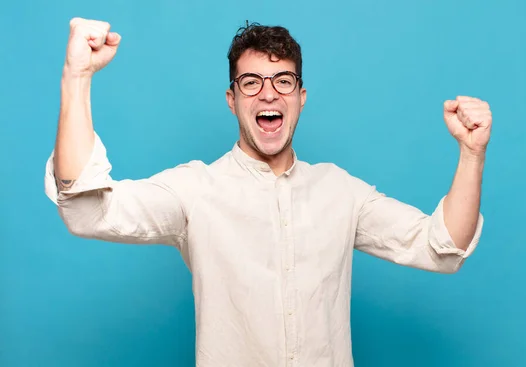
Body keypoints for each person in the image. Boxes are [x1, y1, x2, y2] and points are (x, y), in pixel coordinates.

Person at [44, 17, 490, 367]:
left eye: (283, 81)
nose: (268, 93)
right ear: (232, 99)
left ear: (300, 97)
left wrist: (472, 153)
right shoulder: (194, 189)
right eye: (251, 82)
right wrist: (76, 76)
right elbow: (86, 208)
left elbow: (443, 247)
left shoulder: (341, 190)